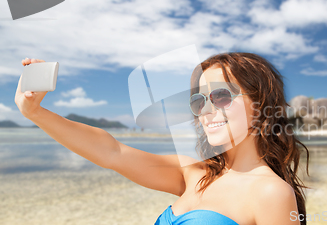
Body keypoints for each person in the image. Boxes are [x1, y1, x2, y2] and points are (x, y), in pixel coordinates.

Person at [15, 54, 310, 225]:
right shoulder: (196, 172)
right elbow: (112, 152)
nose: (206, 110)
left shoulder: (271, 193)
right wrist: (36, 113)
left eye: (221, 95)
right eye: (199, 101)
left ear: (260, 104)